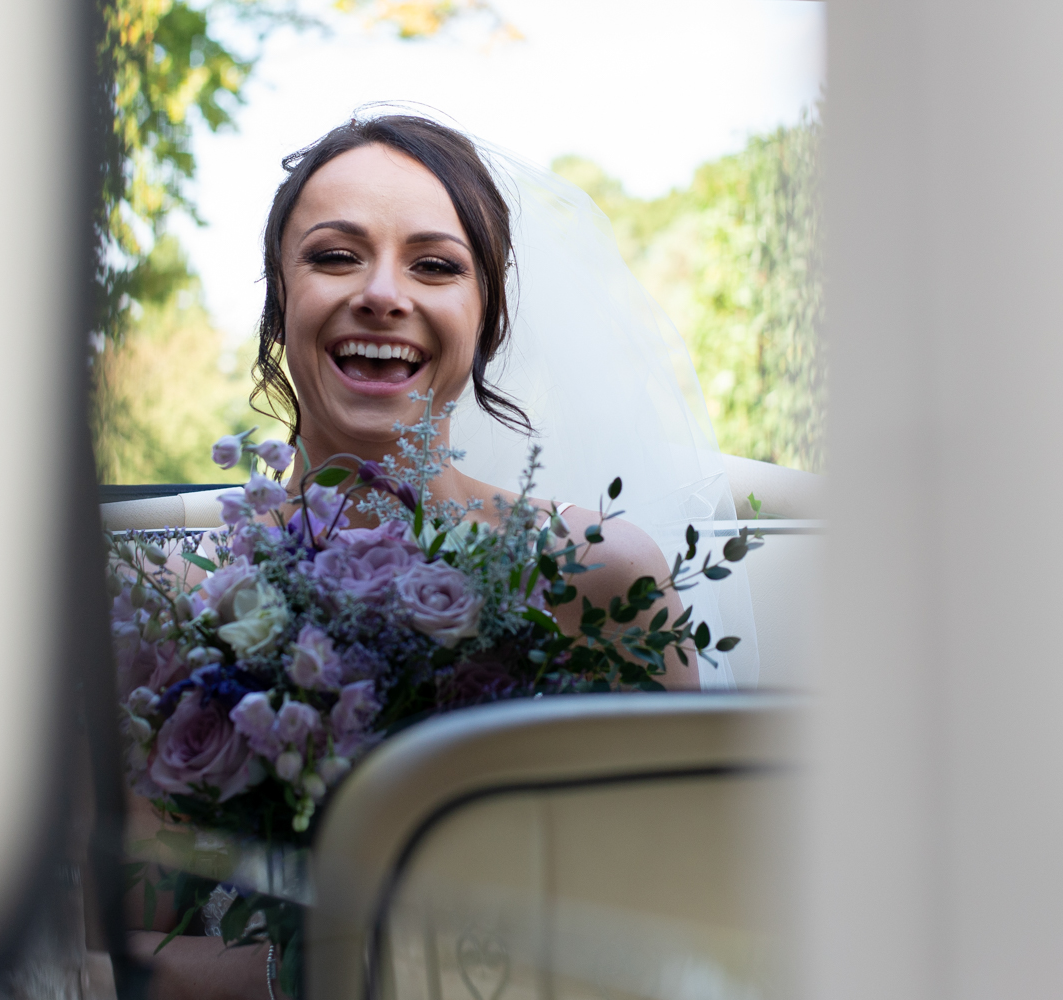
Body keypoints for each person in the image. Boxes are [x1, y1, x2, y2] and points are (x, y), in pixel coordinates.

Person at [120, 113, 742, 999]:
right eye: (334, 256)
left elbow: (687, 916)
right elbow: (130, 952)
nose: (382, 293)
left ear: (483, 317)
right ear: (277, 299)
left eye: (436, 265)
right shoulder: (176, 608)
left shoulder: (594, 576)